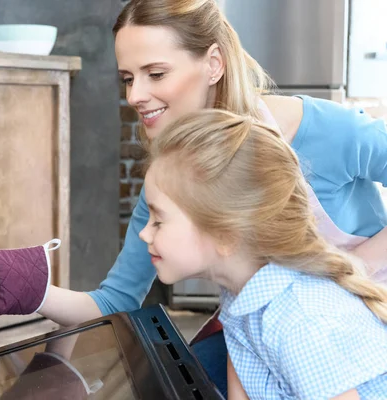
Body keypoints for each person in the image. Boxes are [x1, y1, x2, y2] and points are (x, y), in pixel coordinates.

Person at [0, 0, 387, 396]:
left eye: (156, 73)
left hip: (366, 312)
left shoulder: (324, 130)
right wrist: (32, 290)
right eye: (128, 77)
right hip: (267, 317)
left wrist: (356, 268)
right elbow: (117, 301)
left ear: (213, 63)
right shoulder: (171, 185)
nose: (135, 95)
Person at [138, 109, 387, 399]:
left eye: (158, 220)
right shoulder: (241, 292)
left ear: (225, 235)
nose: (145, 232)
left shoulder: (300, 322)